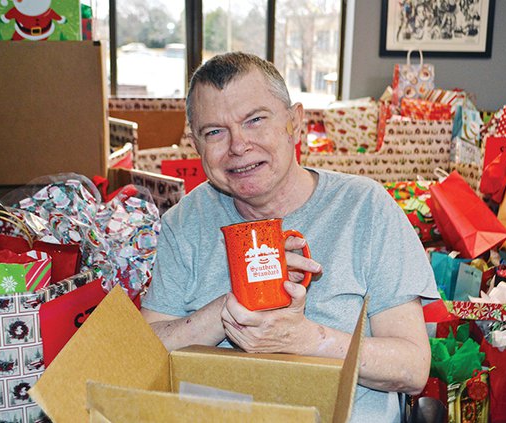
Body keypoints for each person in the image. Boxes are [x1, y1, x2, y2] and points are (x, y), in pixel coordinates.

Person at [140, 52, 439, 421]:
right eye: (215, 132)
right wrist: (231, 307)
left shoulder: (365, 208)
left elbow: (412, 368)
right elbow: (146, 352)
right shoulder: (183, 223)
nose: (238, 146)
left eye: (255, 120)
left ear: (294, 123)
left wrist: (306, 339)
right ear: (196, 145)